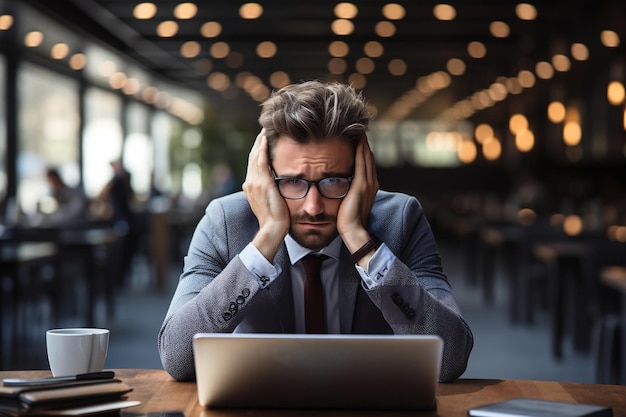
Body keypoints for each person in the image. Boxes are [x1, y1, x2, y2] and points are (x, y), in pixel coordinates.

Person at [158, 81, 473, 383]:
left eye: (333, 180)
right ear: (265, 177)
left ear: (362, 176)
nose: (313, 206)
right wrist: (265, 240)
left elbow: (451, 358)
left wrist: (361, 244)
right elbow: (177, 357)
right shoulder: (226, 222)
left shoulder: (402, 220)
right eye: (293, 181)